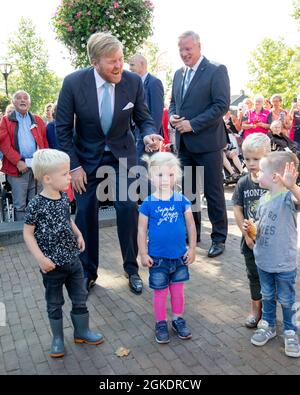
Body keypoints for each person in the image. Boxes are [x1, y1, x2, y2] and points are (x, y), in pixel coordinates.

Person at [56, 32, 162, 294]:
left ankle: (132, 269)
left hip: (121, 157)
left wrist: (148, 133)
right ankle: (88, 272)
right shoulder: (73, 83)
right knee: (85, 212)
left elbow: (144, 118)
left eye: (121, 60)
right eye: (111, 61)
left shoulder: (133, 82)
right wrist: (74, 166)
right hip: (85, 160)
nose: (119, 66)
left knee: (127, 207)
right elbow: (62, 129)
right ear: (94, 62)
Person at [23, 149, 104, 358]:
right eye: (65, 173)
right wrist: (40, 258)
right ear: (48, 179)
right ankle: (57, 338)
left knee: (80, 297)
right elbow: (28, 234)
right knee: (54, 302)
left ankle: (82, 331)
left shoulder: (63, 198)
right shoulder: (36, 204)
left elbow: (68, 220)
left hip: (73, 261)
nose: (70, 177)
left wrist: (79, 234)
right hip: (51, 266)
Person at [169, 30, 230, 256]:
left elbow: (221, 105)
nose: (184, 54)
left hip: (208, 144)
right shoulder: (177, 74)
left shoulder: (216, 70)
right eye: (181, 50)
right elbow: (173, 102)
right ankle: (192, 233)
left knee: (213, 192)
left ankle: (219, 238)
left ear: (199, 46)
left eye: (188, 49)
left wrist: (192, 124)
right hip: (184, 144)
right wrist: (174, 116)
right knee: (189, 193)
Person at [244, 151, 300, 358]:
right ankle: (268, 325)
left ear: (275, 177)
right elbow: (260, 224)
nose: (256, 174)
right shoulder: (264, 198)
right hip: (263, 260)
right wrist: (250, 228)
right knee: (267, 295)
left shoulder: (287, 197)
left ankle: (290, 331)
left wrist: (292, 185)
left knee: (286, 298)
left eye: (261, 172)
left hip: (283, 262)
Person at [138, 152, 196, 343]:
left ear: (177, 176)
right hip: (157, 259)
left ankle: (178, 319)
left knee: (178, 291)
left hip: (179, 257)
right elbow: (141, 230)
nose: (165, 180)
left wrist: (193, 248)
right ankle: (160, 322)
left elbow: (190, 225)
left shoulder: (182, 200)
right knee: (160, 292)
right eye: (160, 175)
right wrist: (143, 253)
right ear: (150, 176)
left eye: (170, 175)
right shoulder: (148, 203)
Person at [232, 133, 271, 328]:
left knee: (271, 278)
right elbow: (237, 208)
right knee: (253, 276)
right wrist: (245, 233)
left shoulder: (274, 181)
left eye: (256, 158)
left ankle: (269, 313)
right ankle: (256, 309)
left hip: (271, 242)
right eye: (247, 159)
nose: (251, 163)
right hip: (250, 242)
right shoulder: (243, 183)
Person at [0, 91, 48, 221]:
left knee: (36, 202)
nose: (23, 100)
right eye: (19, 98)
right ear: (13, 102)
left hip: (37, 167)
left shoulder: (37, 120)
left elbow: (44, 142)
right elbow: (4, 144)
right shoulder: (6, 121)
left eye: (25, 98)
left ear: (29, 102)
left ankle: (36, 233)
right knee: (20, 205)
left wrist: (44, 163)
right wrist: (17, 161)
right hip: (17, 169)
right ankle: (21, 236)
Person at [129, 53, 164, 159]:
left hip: (148, 139)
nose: (130, 68)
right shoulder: (134, 84)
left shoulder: (154, 83)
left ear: (142, 64)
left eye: (132, 65)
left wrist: (152, 138)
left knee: (144, 171)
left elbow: (157, 114)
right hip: (135, 136)